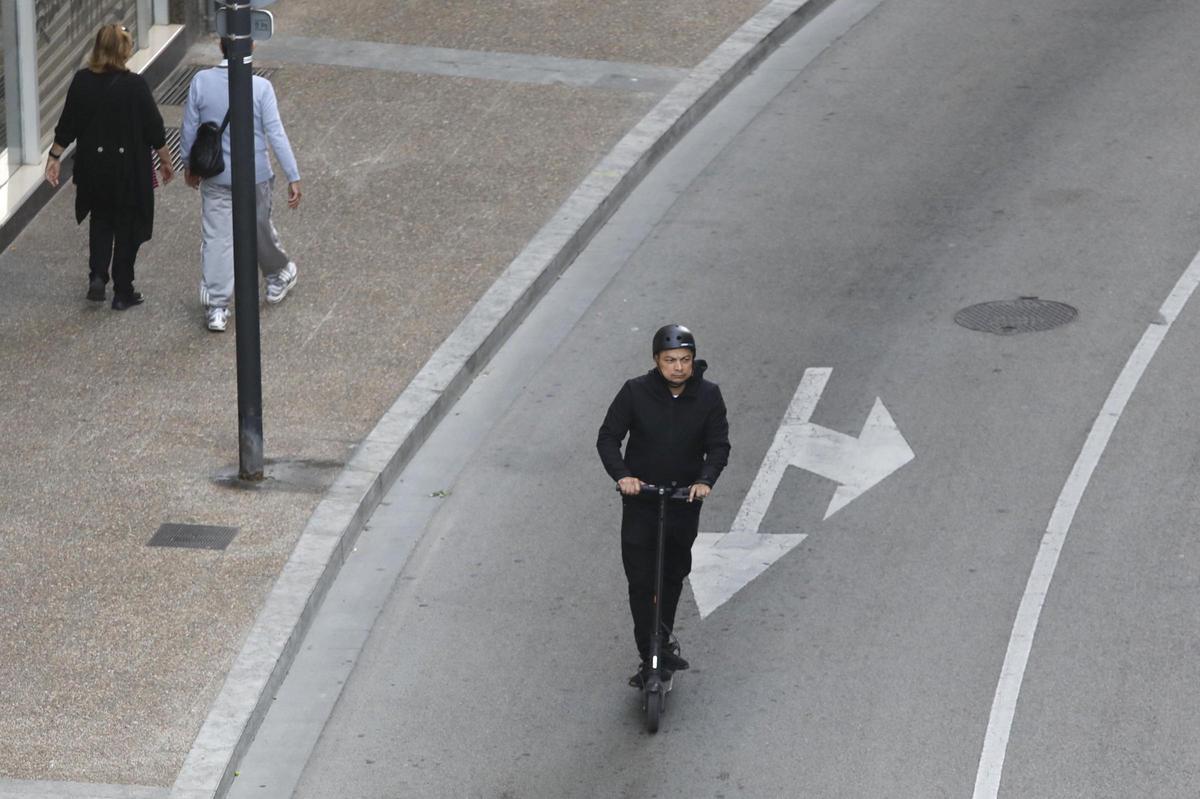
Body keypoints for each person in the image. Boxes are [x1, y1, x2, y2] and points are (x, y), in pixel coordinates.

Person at [597, 324, 731, 688]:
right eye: (670, 360)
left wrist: (704, 481)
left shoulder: (708, 396)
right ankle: (649, 653)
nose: (678, 367)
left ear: (693, 361)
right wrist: (624, 476)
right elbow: (608, 437)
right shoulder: (635, 392)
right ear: (656, 360)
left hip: (682, 503)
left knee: (672, 575)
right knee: (641, 580)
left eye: (685, 360)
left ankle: (664, 642)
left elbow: (719, 446)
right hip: (641, 502)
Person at [45, 23, 174, 310]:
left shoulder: (81, 81)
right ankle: (122, 291)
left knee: (101, 219)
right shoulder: (135, 86)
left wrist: (54, 158)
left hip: (93, 169)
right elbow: (155, 130)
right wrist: (166, 161)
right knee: (127, 226)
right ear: (124, 50)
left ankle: (98, 276)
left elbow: (67, 124)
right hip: (129, 171)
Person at [180, 37, 302, 333]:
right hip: (256, 175)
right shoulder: (261, 88)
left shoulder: (201, 81)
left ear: (221, 46)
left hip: (214, 174)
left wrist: (189, 166)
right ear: (252, 48)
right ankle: (278, 272)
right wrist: (292, 175)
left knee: (217, 238)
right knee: (258, 228)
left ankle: (218, 305)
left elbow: (188, 128)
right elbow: (275, 133)